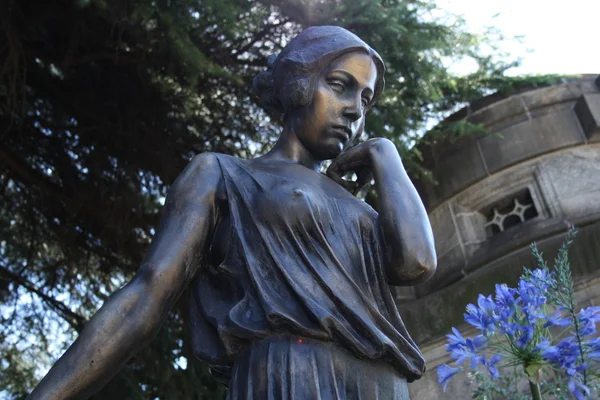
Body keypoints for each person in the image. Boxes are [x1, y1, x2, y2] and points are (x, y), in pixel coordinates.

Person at [28, 26, 436, 400]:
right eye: (340, 86)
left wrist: (386, 155)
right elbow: (147, 295)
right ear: (299, 84)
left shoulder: (358, 205)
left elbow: (416, 263)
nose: (354, 110)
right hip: (288, 374)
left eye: (365, 99)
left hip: (384, 385)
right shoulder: (223, 173)